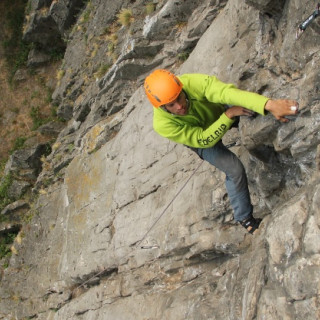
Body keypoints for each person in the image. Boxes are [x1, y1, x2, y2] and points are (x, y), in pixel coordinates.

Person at [144, 69, 299, 234]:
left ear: (182, 89)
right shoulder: (162, 124)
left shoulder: (193, 83)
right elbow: (203, 139)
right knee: (235, 170)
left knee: (253, 108)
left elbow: (226, 93)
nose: (180, 106)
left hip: (219, 110)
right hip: (202, 138)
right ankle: (245, 218)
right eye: (171, 105)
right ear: (162, 107)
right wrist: (229, 115)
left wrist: (269, 104)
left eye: (180, 97)